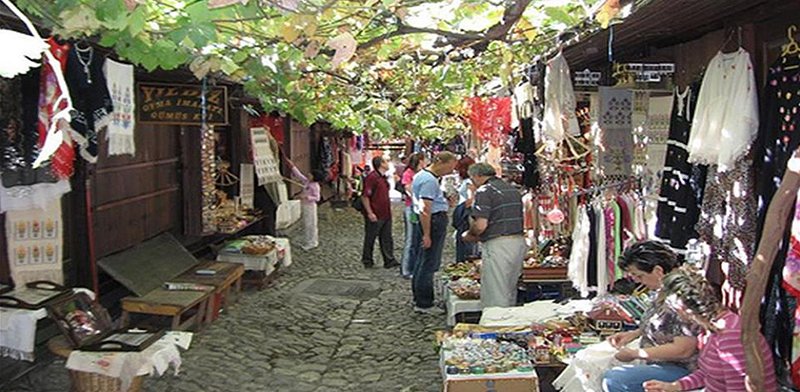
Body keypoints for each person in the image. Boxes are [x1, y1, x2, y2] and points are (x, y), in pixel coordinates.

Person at [642, 268, 777, 392]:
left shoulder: (730, 335)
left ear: (683, 308)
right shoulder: (710, 329)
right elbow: (709, 374)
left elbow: (739, 388)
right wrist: (673, 386)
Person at [602, 241, 702, 392]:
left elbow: (684, 349)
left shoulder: (682, 297)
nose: (636, 281)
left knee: (616, 379)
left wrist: (636, 354)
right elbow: (663, 323)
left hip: (684, 370)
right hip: (661, 361)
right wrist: (634, 334)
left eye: (639, 276)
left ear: (658, 271)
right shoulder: (663, 290)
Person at [462, 163, 526, 308]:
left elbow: (480, 225)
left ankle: (497, 326)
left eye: (472, 178)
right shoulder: (512, 189)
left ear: (477, 176)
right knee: (509, 289)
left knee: (496, 291)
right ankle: (509, 323)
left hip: (498, 243)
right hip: (517, 241)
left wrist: (469, 234)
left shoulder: (485, 191)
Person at [411, 151, 458, 314]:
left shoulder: (423, 176)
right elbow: (425, 208)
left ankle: (420, 299)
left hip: (429, 220)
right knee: (428, 263)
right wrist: (427, 234)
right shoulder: (429, 180)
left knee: (422, 261)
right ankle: (424, 303)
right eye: (451, 167)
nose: (451, 171)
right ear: (441, 162)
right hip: (433, 221)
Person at [361, 156, 399, 269]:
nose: (388, 163)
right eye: (386, 162)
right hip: (376, 212)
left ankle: (389, 260)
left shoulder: (382, 177)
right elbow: (365, 196)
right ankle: (367, 260)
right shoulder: (372, 177)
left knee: (386, 237)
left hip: (385, 212)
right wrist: (370, 212)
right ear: (381, 164)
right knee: (370, 237)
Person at [288, 161, 324, 250]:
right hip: (305, 205)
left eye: (311, 174)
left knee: (310, 224)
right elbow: (299, 175)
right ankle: (309, 240)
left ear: (314, 177)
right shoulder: (307, 182)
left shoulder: (315, 186)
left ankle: (311, 242)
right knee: (306, 223)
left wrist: (306, 197)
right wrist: (292, 166)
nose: (308, 174)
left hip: (310, 207)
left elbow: (317, 198)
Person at [400, 153, 426, 278]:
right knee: (410, 239)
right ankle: (406, 269)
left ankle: (414, 266)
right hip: (411, 209)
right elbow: (408, 189)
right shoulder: (408, 173)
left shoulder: (421, 173)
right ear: (420, 161)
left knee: (417, 238)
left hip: (417, 209)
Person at [453, 156, 477, 263]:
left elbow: (470, 198)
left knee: (464, 238)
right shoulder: (469, 181)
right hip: (464, 211)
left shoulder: (469, 182)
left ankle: (464, 261)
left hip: (465, 213)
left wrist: (464, 209)